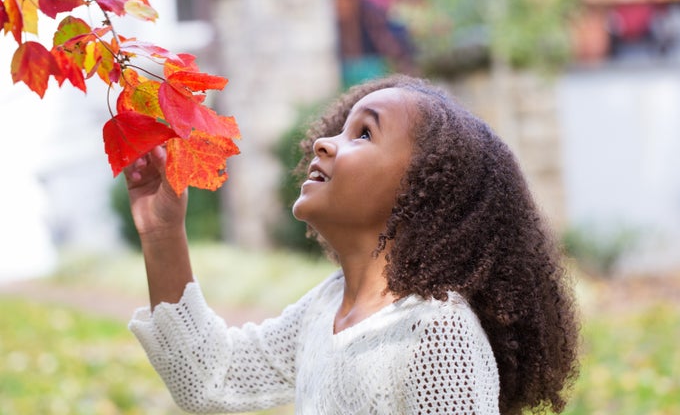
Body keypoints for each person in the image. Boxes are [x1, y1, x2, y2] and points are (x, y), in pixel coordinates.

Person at [125, 74, 579, 414]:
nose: (323, 142)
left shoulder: (440, 331)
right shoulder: (324, 309)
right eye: (341, 128)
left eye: (363, 133)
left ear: (421, 188)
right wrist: (162, 234)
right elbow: (211, 378)